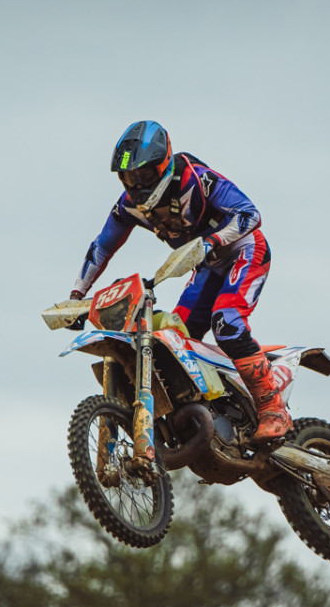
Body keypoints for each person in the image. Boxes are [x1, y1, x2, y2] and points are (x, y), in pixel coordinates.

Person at [70, 120, 292, 441]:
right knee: (175, 339)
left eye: (144, 175)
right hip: (206, 265)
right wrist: (77, 294)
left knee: (226, 322)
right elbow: (102, 246)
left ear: (162, 166)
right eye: (128, 178)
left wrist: (212, 241)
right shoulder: (130, 206)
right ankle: (211, 413)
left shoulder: (198, 180)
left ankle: (272, 408)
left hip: (245, 250)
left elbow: (250, 214)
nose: (136, 185)